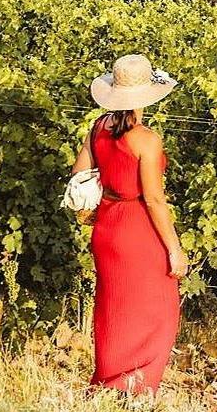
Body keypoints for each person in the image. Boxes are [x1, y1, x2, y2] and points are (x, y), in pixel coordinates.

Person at [72, 54, 184, 394]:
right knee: (160, 310)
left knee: (113, 306)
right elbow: (153, 199)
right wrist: (175, 248)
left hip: (107, 226)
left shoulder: (98, 127)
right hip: (138, 230)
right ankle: (134, 386)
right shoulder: (146, 139)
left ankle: (109, 380)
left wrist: (88, 214)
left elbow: (79, 174)